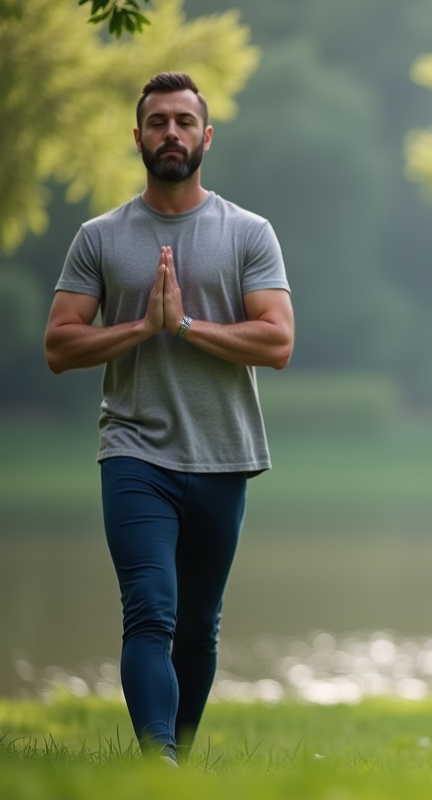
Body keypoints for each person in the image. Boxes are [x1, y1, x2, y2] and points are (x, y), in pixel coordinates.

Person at [43, 72, 294, 764]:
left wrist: (181, 324)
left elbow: (277, 341)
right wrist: (138, 328)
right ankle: (160, 755)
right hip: (134, 451)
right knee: (150, 609)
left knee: (199, 628)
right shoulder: (100, 237)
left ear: (206, 137)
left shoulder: (248, 232)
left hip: (223, 453)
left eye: (184, 122)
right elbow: (60, 345)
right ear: (139, 137)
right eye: (158, 122)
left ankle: (171, 767)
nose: (172, 134)